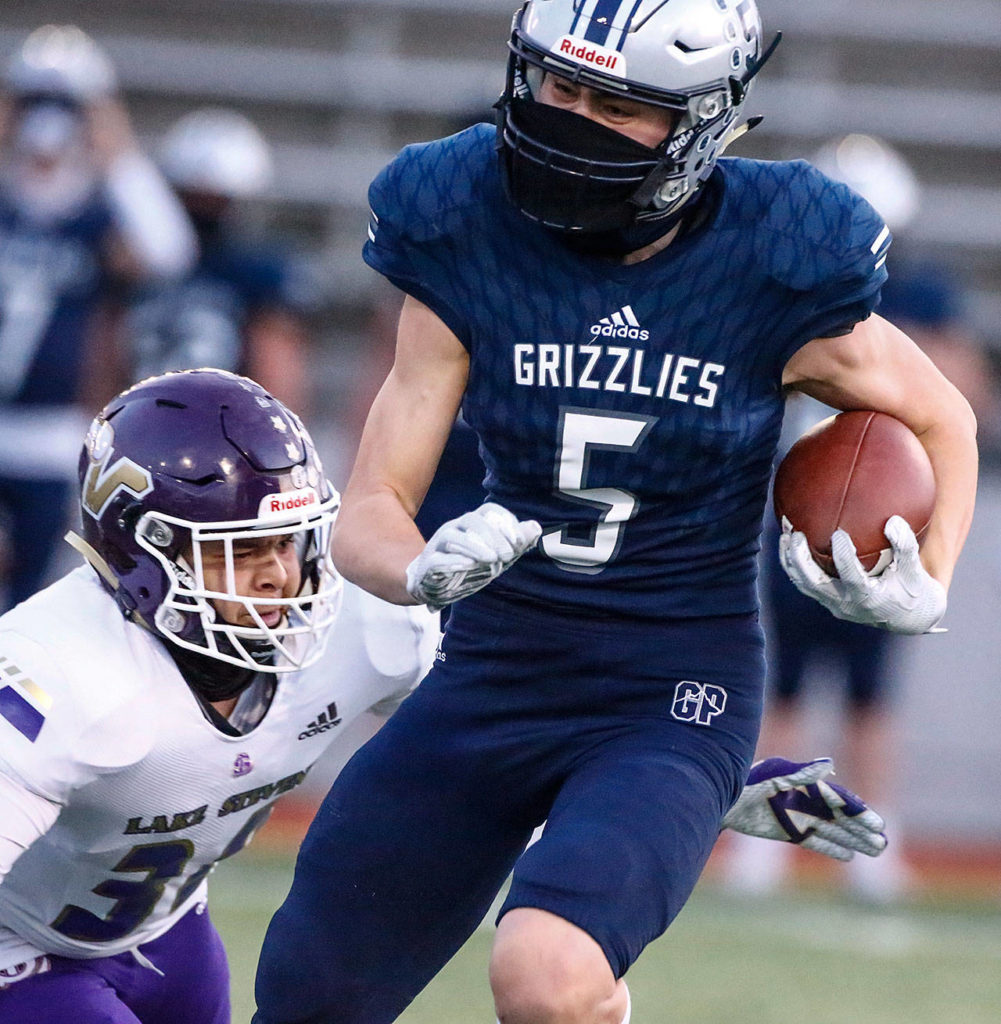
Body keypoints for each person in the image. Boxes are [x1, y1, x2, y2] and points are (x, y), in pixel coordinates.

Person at [254, 2, 978, 1023]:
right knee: (305, 997)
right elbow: (368, 506)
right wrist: (420, 568)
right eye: (560, 87)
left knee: (543, 975)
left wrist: (928, 576)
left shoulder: (772, 251)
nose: (572, 120)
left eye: (616, 104)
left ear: (701, 123)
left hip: (669, 690)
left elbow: (937, 413)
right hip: (491, 671)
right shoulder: (463, 217)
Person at [0, 367, 441, 1023]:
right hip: (18, 940)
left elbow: (499, 733)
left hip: (169, 929)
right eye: (241, 551)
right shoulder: (59, 674)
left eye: (287, 542)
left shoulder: (369, 628)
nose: (278, 577)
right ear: (143, 555)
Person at [728, 133, 998, 903]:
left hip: (889, 522)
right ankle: (773, 840)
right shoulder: (787, 295)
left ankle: (875, 839)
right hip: (795, 506)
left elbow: (965, 398)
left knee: (868, 695)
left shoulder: (921, 300)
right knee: (778, 684)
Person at [0, 25, 197, 612]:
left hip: (49, 430)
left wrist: (114, 138)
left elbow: (170, 251)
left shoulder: (94, 211)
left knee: (30, 596)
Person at [128, 107, 316, 413]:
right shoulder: (141, 263)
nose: (205, 208)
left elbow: (277, 369)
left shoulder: (256, 273)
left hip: (217, 429)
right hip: (143, 420)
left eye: (215, 199)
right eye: (197, 197)